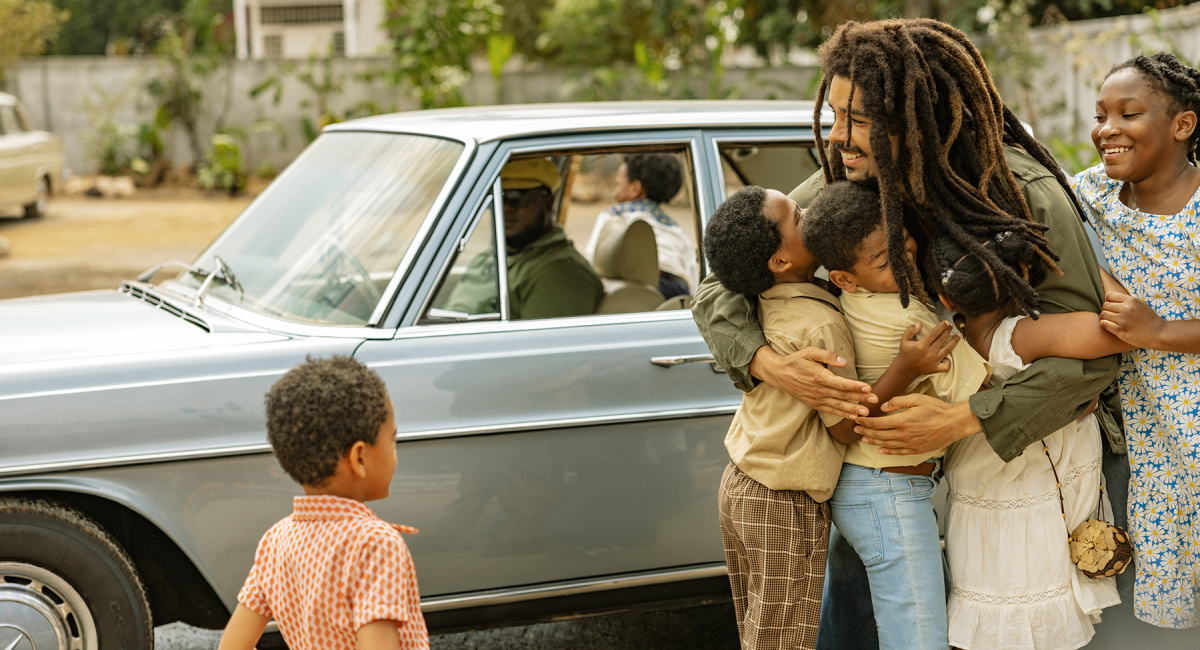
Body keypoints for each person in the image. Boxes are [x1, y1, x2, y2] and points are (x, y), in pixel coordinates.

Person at [691, 18, 1125, 649]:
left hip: (1016, 454)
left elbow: (1089, 363)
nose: (837, 136)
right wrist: (768, 363)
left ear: (915, 120)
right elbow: (723, 282)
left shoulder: (1021, 192)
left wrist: (960, 420)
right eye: (833, 113)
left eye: (856, 117)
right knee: (855, 610)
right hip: (879, 472)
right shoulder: (851, 179)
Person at [704, 185, 960, 650]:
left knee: (763, 633)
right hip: (779, 498)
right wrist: (906, 367)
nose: (811, 214)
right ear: (779, 262)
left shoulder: (780, 297)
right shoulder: (818, 321)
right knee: (785, 639)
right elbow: (844, 424)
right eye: (799, 217)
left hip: (743, 482)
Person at [799, 180, 989, 649]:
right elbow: (983, 387)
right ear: (844, 276)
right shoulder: (911, 318)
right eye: (888, 263)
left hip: (864, 485)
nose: (905, 267)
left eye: (907, 249)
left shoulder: (850, 299)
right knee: (919, 635)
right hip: (890, 492)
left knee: (871, 621)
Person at [927, 229, 1132, 648]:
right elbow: (1119, 330)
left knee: (998, 588)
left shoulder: (948, 338)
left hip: (980, 484)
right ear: (1019, 275)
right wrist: (1081, 266)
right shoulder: (1016, 335)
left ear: (945, 299)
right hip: (1035, 483)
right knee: (1040, 585)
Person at [1075, 52, 1200, 630]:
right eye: (1101, 115)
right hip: (1140, 443)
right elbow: (1033, 216)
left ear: (1182, 124)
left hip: (1193, 428)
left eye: (1129, 114)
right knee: (1153, 607)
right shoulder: (1090, 197)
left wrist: (1160, 332)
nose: (1107, 130)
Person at [218, 356, 428, 650]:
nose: (395, 452)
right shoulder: (376, 545)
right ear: (359, 458)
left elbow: (231, 647)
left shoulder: (275, 540)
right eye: (392, 441)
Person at [446, 157, 603, 319]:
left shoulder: (560, 273)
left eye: (518, 197)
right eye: (498, 197)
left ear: (549, 202)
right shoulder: (494, 255)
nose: (505, 207)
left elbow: (538, 343)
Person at [584, 153, 699, 298]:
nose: (614, 193)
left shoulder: (613, 215)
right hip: (677, 291)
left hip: (632, 289)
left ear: (635, 189)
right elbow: (693, 278)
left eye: (618, 184)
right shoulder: (677, 230)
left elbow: (592, 261)